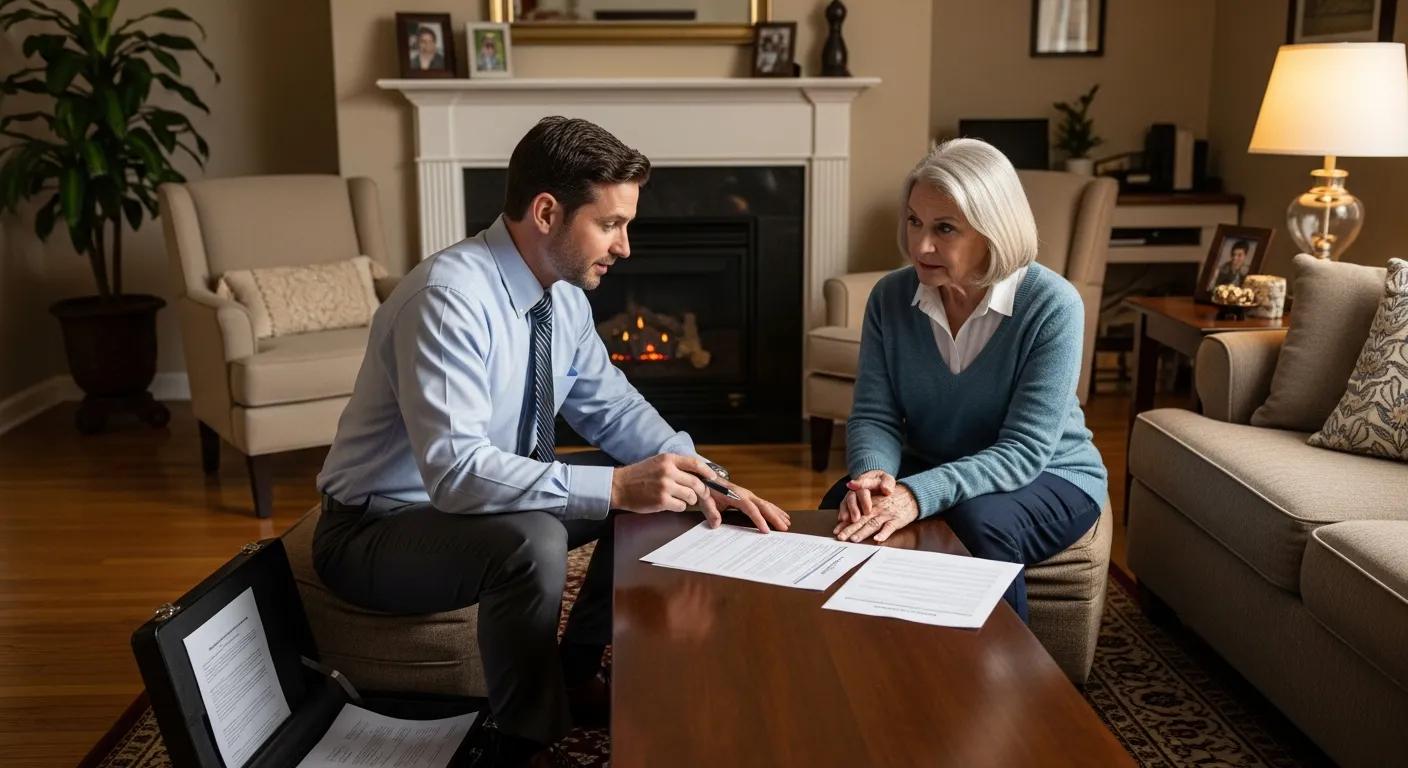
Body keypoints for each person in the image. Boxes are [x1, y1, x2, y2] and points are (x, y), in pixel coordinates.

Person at [315, 116, 789, 765]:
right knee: (538, 537)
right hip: (376, 530)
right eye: (611, 223)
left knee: (662, 483)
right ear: (546, 213)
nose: (625, 247)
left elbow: (615, 409)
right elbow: (455, 474)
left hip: (470, 508)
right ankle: (524, 743)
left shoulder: (561, 300)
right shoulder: (448, 300)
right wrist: (616, 486)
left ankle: (575, 673)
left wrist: (707, 477)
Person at [822, 138, 1108, 623]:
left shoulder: (1053, 305)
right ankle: (872, 654)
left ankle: (1001, 668)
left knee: (979, 523)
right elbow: (874, 414)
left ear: (993, 229)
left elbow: (1024, 451)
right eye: (914, 221)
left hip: (1049, 473)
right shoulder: (889, 297)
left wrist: (916, 495)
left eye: (945, 228)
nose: (921, 245)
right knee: (842, 506)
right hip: (933, 459)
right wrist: (873, 476)